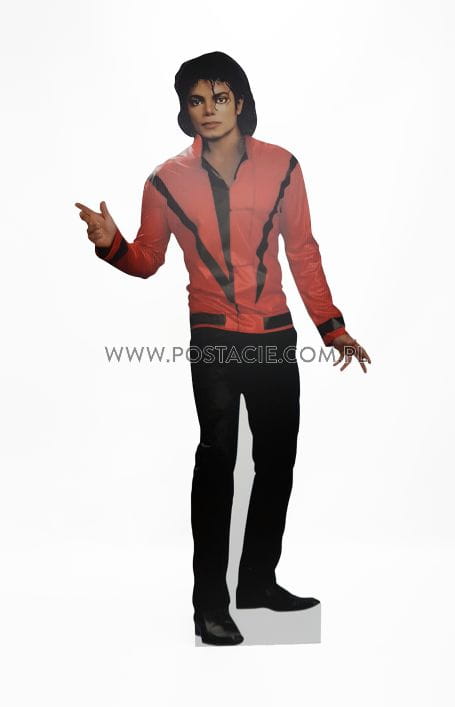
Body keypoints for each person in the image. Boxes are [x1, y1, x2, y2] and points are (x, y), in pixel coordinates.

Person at [75, 51, 371, 646]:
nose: (207, 109)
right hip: (212, 336)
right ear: (184, 109)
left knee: (277, 462)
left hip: (275, 336)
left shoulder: (283, 166)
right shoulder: (164, 181)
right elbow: (148, 260)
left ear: (240, 102)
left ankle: (257, 582)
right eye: (196, 100)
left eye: (219, 97)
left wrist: (331, 326)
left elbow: (303, 251)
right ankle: (209, 605)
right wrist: (113, 245)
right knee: (217, 462)